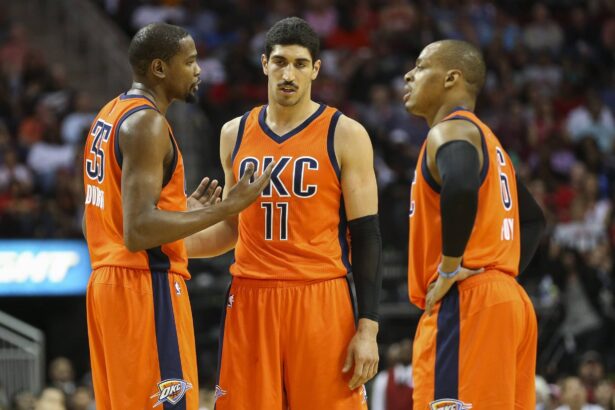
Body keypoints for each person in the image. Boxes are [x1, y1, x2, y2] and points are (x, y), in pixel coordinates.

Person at [185, 17, 382, 409]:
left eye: (299, 63)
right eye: (279, 62)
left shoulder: (345, 133)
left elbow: (366, 235)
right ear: (264, 64)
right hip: (250, 297)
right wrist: (180, 234)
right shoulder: (233, 133)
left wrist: (368, 329)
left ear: (316, 69)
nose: (288, 73)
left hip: (320, 297)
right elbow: (230, 229)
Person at [82, 23, 272, 409]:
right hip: (144, 291)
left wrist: (187, 213)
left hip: (110, 285)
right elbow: (139, 232)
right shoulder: (148, 124)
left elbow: (128, 225)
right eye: (189, 61)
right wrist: (227, 207)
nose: (199, 70)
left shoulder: (112, 112)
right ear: (159, 68)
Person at [404, 39, 546, 408]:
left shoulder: (451, 131)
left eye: (420, 67)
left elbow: (462, 184)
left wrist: (452, 267)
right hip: (508, 300)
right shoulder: (492, 144)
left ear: (452, 78)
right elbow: (533, 220)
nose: (409, 75)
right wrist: (496, 271)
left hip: (468, 304)